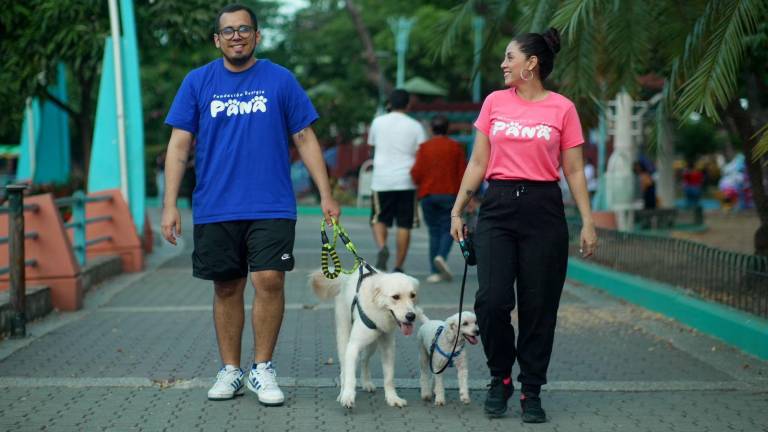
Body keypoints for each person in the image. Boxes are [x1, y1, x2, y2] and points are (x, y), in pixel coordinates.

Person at [160, 4, 339, 407]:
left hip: (272, 203)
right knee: (226, 285)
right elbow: (178, 145)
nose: (236, 35)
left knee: (269, 280)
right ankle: (230, 369)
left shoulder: (280, 79)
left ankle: (261, 368)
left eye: (244, 29)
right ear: (217, 39)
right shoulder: (197, 82)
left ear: (256, 36)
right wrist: (170, 204)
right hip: (215, 204)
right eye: (228, 31)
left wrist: (326, 193)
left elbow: (305, 137)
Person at [449, 28, 597, 423]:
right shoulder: (495, 102)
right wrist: (458, 209)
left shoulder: (562, 108)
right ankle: (500, 378)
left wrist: (587, 221)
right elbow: (478, 162)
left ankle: (531, 388)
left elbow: (575, 169)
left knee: (539, 306)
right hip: (496, 207)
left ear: (531, 64)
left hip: (544, 210)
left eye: (510, 57)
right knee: (492, 301)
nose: (503, 64)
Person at [367, 89, 426, 272]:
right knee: (404, 224)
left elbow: (372, 148)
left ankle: (382, 246)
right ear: (408, 104)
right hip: (406, 180)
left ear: (389, 103)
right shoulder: (416, 126)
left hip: (382, 180)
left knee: (378, 218)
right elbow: (421, 153)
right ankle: (399, 266)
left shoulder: (377, 122)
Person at [410, 115, 466, 282]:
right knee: (449, 228)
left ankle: (435, 271)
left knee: (434, 232)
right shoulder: (456, 147)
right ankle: (441, 255)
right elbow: (463, 173)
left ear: (431, 129)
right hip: (450, 194)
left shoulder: (424, 148)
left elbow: (416, 173)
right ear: (448, 129)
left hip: (427, 195)